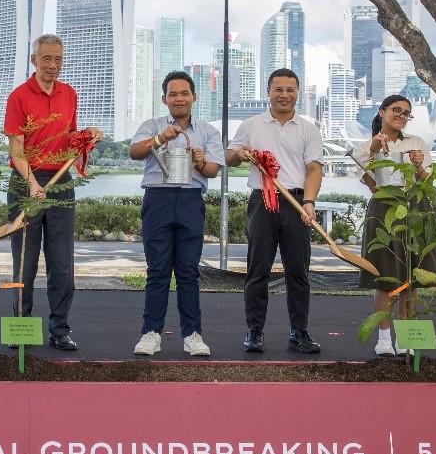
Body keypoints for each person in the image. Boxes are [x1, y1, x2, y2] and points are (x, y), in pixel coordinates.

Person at [4, 34, 102, 351]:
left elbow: (70, 138)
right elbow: (16, 149)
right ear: (34, 61)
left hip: (61, 183)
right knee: (25, 262)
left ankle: (59, 329)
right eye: (46, 58)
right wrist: (31, 182)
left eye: (58, 59)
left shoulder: (69, 94)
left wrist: (87, 136)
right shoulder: (18, 96)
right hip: (25, 183)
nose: (53, 65)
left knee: (61, 263)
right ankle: (22, 328)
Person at [226, 68, 323, 355]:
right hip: (261, 202)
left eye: (290, 89)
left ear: (297, 93)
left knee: (298, 271)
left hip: (296, 203)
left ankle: (299, 331)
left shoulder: (308, 128)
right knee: (258, 270)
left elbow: (314, 168)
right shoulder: (251, 125)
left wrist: (309, 201)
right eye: (278, 89)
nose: (284, 95)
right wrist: (240, 153)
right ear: (268, 91)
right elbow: (229, 158)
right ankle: (254, 331)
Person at [129, 71, 224, 357]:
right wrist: (159, 138)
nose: (179, 98)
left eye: (184, 93)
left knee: (188, 272)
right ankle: (151, 333)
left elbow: (213, 171)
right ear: (164, 99)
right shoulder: (152, 125)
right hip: (157, 199)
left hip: (190, 200)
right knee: (157, 271)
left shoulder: (207, 132)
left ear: (194, 97)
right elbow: (135, 152)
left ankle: (192, 335)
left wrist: (200, 160)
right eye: (173, 94)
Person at [352, 94, 436, 356]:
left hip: (415, 208)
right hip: (384, 207)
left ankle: (406, 338)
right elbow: (370, 182)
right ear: (382, 112)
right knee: (385, 276)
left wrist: (418, 165)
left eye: (406, 113)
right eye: (395, 110)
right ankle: (383, 338)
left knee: (411, 277)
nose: (400, 116)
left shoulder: (417, 143)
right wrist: (374, 151)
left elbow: (428, 182)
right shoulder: (365, 147)